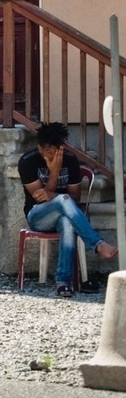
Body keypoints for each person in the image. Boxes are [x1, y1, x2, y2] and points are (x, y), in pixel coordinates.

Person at [20, 122, 119, 297]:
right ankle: (97, 244)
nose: (51, 156)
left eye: (56, 152)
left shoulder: (70, 160)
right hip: (38, 216)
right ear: (40, 148)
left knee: (66, 221)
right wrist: (54, 173)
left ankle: (63, 282)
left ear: (61, 148)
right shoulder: (27, 162)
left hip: (65, 214)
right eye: (48, 152)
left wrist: (52, 193)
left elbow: (74, 198)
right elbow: (40, 199)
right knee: (61, 198)